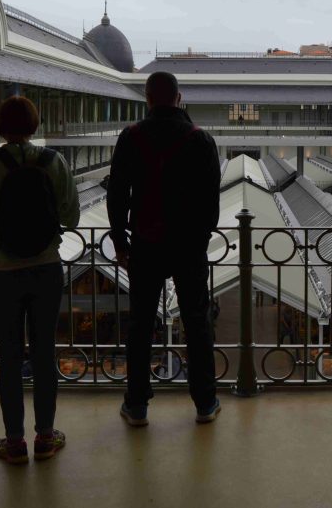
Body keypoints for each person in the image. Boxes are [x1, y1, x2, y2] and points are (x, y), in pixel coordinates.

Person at [0, 95, 80, 463]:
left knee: (10, 358)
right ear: (35, 126)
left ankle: (14, 443)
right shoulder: (54, 162)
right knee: (44, 354)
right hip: (46, 268)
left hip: (3, 272)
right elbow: (72, 217)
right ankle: (46, 437)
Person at [107, 71, 222, 426]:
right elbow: (210, 205)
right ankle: (205, 402)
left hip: (146, 243)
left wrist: (121, 242)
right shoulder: (201, 140)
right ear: (179, 98)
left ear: (147, 98)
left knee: (141, 325)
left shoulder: (131, 137)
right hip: (188, 247)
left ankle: (137, 404)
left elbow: (116, 195)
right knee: (197, 322)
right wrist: (199, 241)